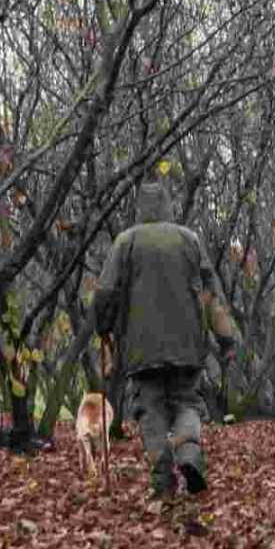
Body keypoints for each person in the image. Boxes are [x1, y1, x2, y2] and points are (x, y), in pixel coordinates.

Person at [93, 190, 239, 496]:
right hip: (187, 345)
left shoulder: (126, 241)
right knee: (187, 403)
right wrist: (226, 339)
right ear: (168, 207)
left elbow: (105, 292)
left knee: (150, 409)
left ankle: (163, 479)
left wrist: (103, 329)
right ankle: (188, 456)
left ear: (141, 209)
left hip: (140, 347)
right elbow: (212, 295)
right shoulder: (189, 240)